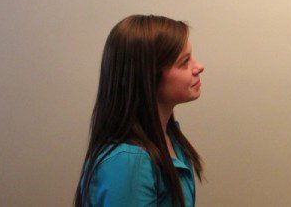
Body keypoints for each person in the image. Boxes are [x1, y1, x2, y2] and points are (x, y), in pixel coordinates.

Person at [75, 15, 205, 207]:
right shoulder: (129, 161)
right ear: (149, 75)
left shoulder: (169, 138)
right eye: (184, 61)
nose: (199, 67)